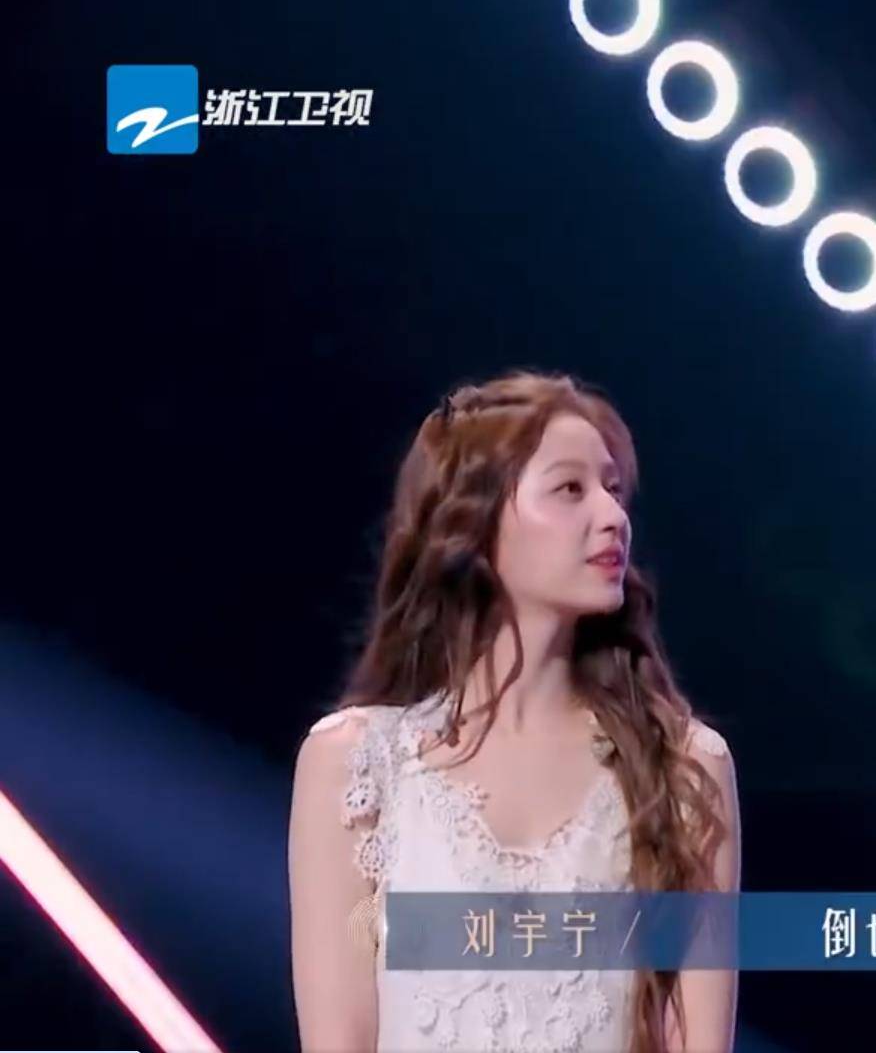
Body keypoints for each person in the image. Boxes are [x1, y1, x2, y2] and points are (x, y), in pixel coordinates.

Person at [289, 370, 740, 1053]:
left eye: (614, 489)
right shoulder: (356, 764)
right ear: (475, 522)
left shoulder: (683, 767)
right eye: (570, 489)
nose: (613, 516)